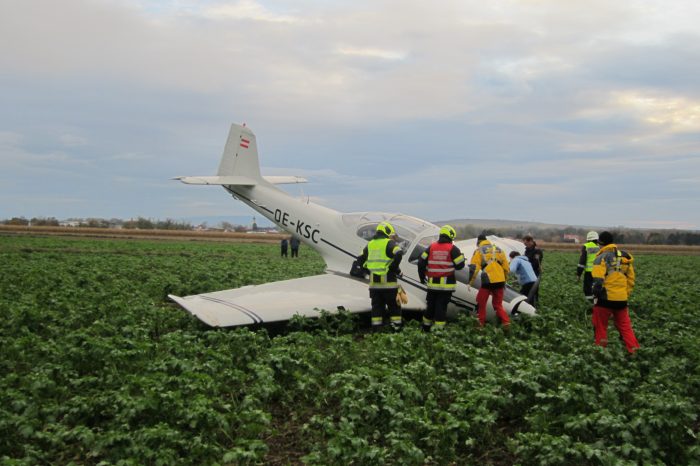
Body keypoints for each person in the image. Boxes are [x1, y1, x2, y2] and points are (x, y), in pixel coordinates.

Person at [591, 231, 640, 354]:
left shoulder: (600, 258)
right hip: (621, 300)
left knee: (600, 326)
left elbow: (598, 281)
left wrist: (596, 296)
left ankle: (601, 352)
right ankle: (634, 351)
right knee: (626, 327)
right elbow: (631, 280)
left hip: (605, 300)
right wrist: (625, 295)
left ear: (600, 243)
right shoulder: (625, 257)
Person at [356, 222, 404, 331]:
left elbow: (360, 258)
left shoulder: (370, 244)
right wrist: (393, 268)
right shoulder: (389, 243)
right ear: (387, 233)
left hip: (374, 286)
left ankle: (377, 330)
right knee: (394, 308)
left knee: (377, 309)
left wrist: (366, 271)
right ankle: (396, 329)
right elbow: (399, 253)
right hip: (389, 285)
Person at [417, 225, 465, 332]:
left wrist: (422, 277)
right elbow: (460, 266)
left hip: (432, 285)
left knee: (430, 306)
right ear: (450, 236)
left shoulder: (431, 247)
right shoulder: (453, 249)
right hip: (446, 286)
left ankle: (425, 328)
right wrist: (461, 257)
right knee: (441, 308)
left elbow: (421, 262)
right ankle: (438, 331)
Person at [469, 234, 511, 327]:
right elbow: (506, 268)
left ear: (478, 242)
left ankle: (480, 324)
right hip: (500, 281)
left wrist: (470, 283)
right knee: (498, 305)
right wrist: (504, 281)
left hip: (487, 281)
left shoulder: (479, 251)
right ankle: (506, 323)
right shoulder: (499, 249)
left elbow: (474, 268)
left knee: (481, 302)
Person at [577, 231, 600, 303]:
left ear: (588, 239)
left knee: (587, 290)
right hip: (599, 272)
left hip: (589, 273)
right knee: (596, 289)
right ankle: (596, 303)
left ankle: (590, 304)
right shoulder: (599, 247)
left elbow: (582, 261)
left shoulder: (586, 246)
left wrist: (578, 274)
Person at [522, 234, 543, 305]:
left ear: (530, 241)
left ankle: (534, 306)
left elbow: (535, 263)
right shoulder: (526, 251)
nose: (525, 245)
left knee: (533, 290)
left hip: (534, 274)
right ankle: (524, 305)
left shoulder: (537, 251)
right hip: (526, 274)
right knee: (524, 290)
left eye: (526, 243)